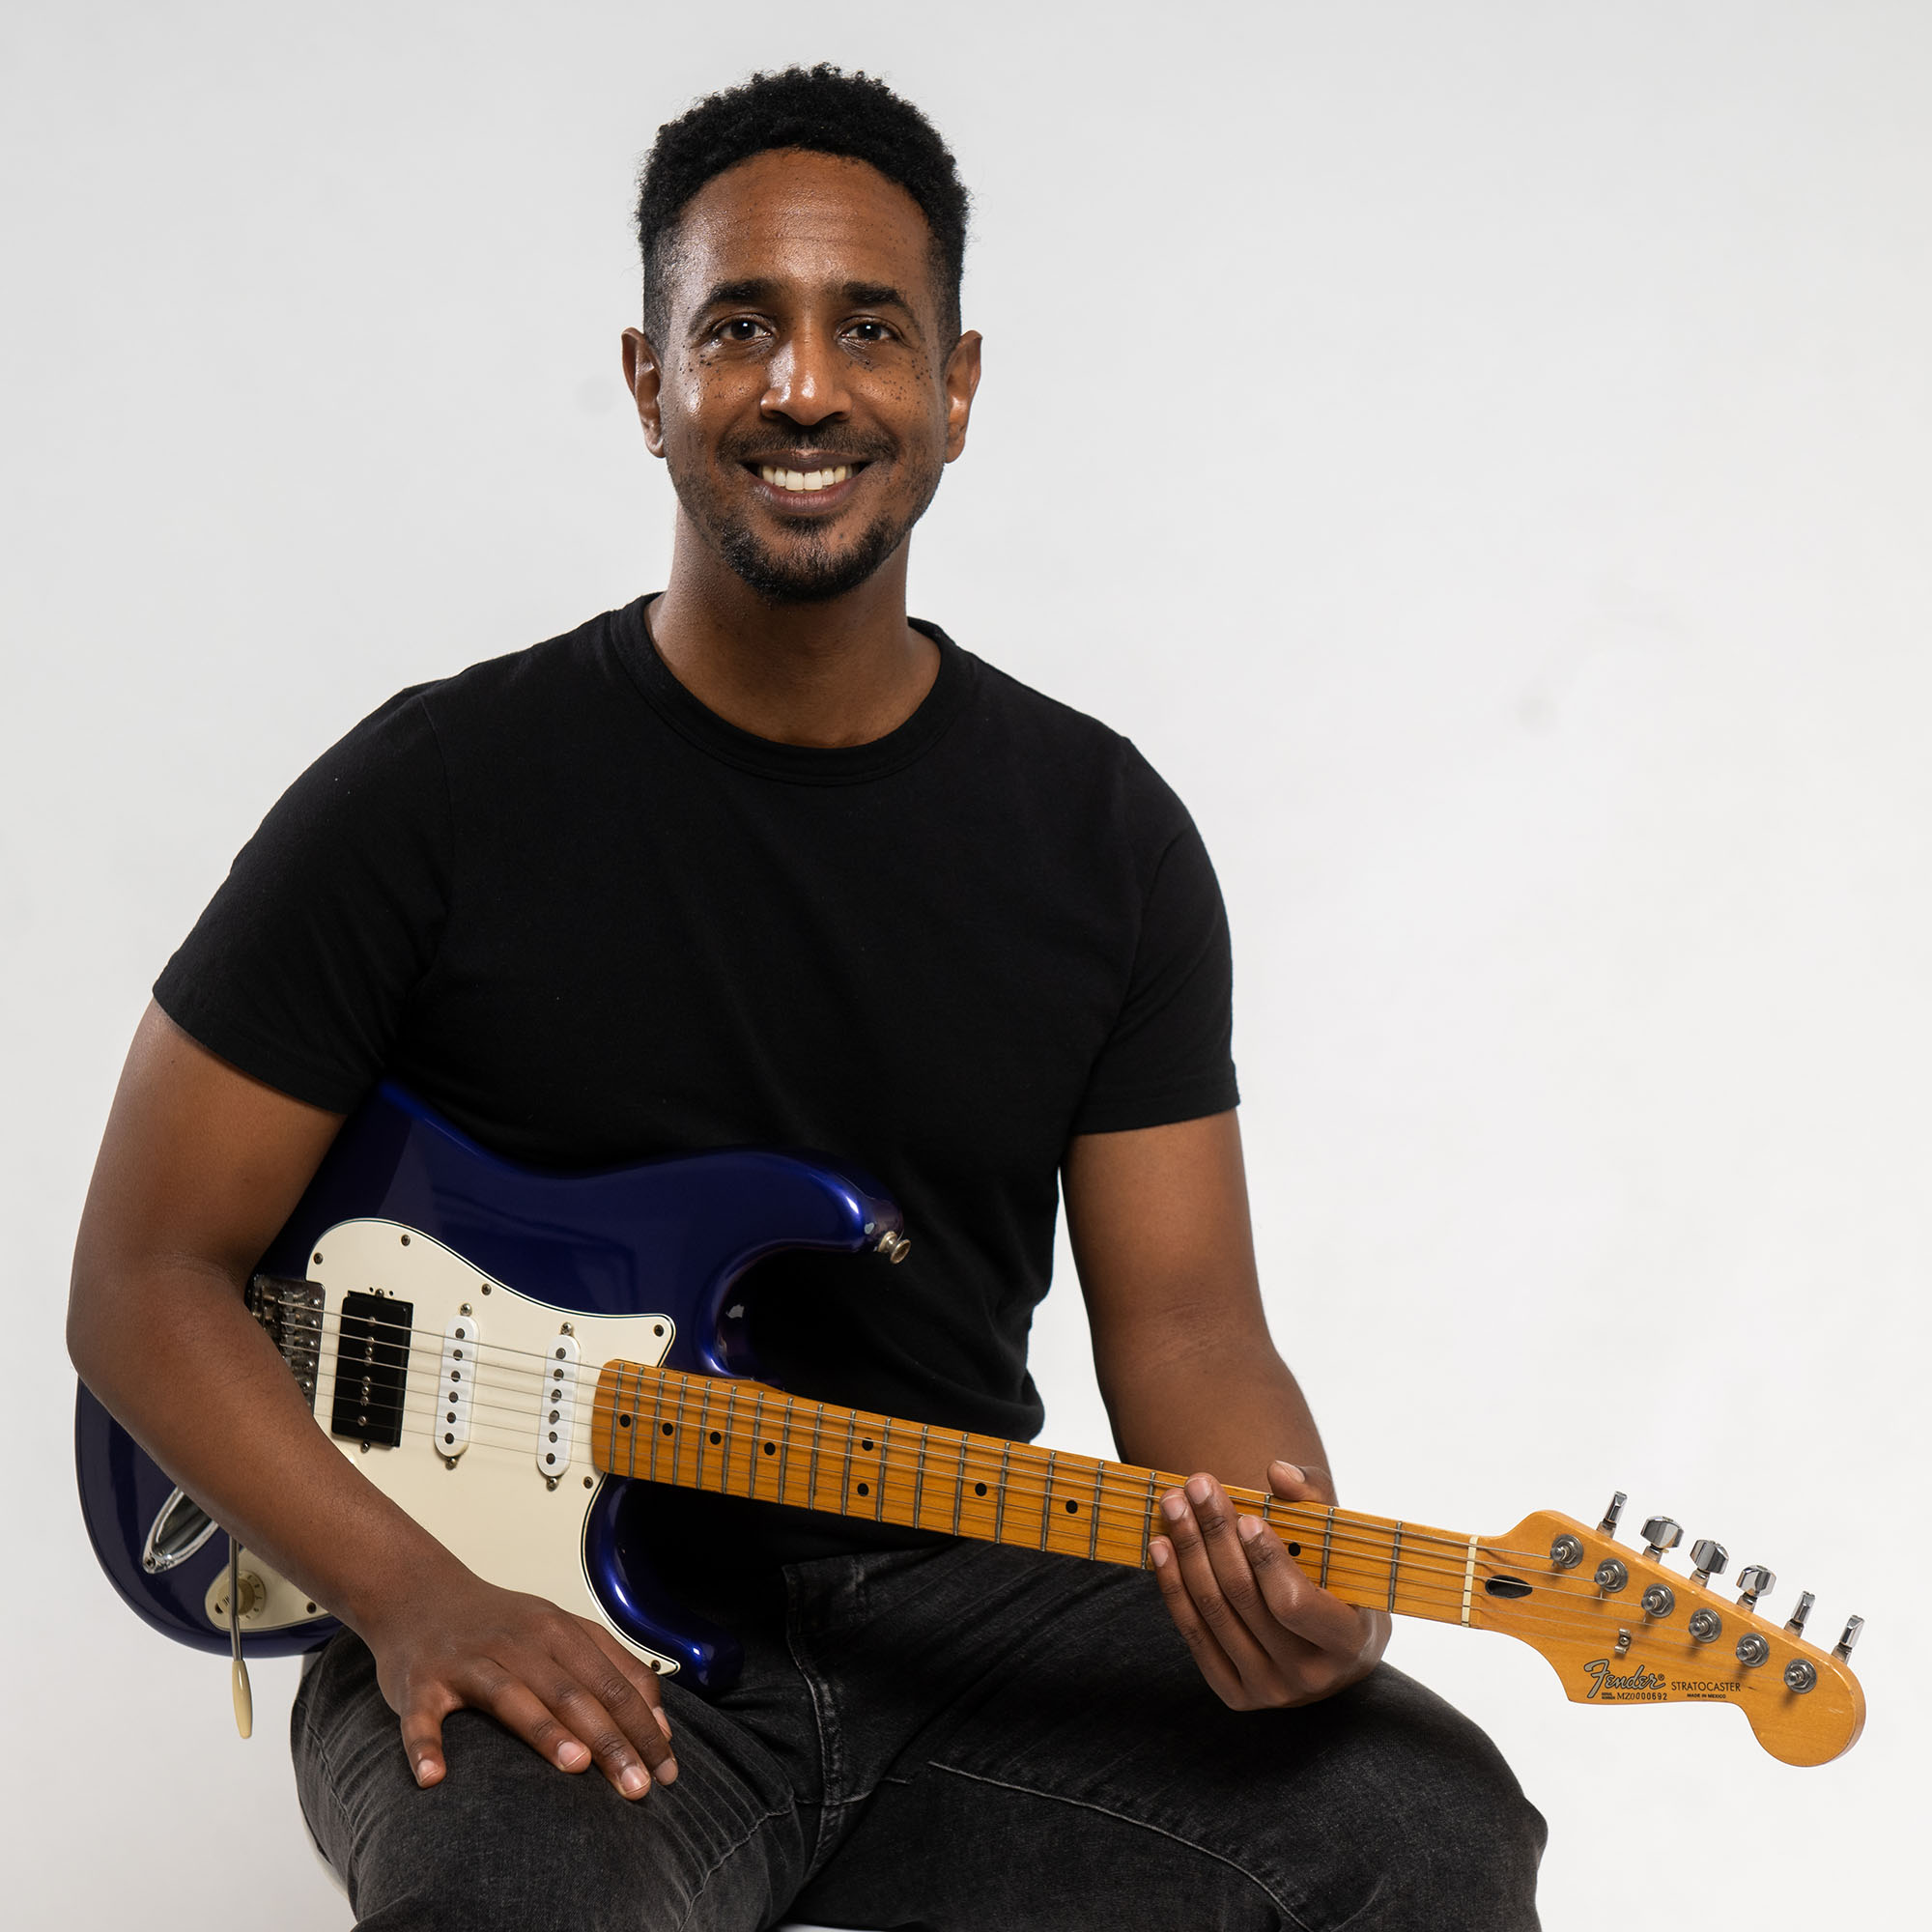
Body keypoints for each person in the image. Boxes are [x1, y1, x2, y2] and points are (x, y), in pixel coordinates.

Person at [67, 65, 1543, 1931]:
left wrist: (1290, 1560)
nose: (804, 387)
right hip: (507, 1604)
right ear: (647, 379)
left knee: (1422, 1829)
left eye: (871, 329)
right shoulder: (436, 793)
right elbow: (140, 1281)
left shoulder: (1104, 838)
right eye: (739, 325)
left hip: (950, 1607)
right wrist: (410, 1593)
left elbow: (1185, 1325)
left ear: (958, 387)